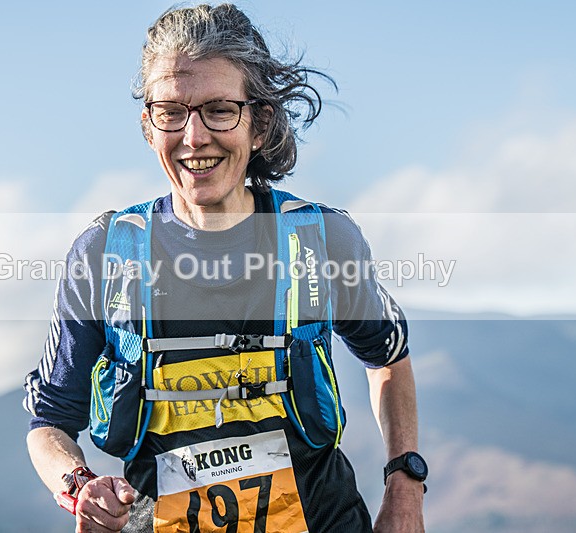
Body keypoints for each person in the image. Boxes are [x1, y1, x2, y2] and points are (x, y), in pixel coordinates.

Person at [24, 4, 425, 532]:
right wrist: (77, 485)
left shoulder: (322, 242)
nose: (194, 136)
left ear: (259, 124)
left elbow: (389, 358)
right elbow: (49, 421)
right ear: (149, 127)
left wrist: (404, 490)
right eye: (171, 112)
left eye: (218, 109)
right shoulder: (104, 255)